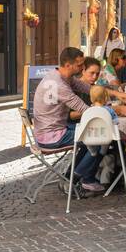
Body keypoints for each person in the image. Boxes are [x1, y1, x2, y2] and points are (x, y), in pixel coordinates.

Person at [31, 47, 104, 194]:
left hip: (48, 132)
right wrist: (114, 110)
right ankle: (73, 179)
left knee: (89, 138)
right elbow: (86, 110)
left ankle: (73, 177)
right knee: (99, 138)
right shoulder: (60, 85)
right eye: (79, 65)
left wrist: (115, 93)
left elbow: (88, 88)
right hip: (52, 137)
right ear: (68, 65)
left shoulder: (59, 75)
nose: (82, 68)